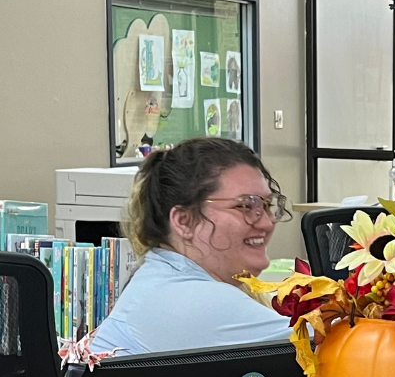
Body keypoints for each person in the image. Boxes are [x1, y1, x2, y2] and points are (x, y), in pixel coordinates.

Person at [92, 137, 293, 356]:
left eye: (267, 205)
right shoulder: (190, 299)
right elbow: (326, 342)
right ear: (184, 221)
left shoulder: (158, 277)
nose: (266, 222)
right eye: (245, 206)